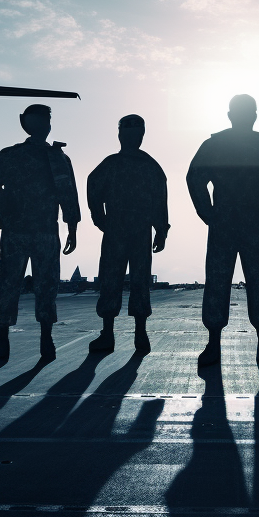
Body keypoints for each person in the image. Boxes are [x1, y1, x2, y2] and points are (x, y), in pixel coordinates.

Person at [187, 94, 259, 367]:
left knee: (232, 281)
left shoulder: (217, 145)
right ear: (253, 116)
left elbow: (194, 178)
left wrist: (208, 212)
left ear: (230, 115)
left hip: (230, 221)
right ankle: (241, 344)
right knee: (241, 281)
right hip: (246, 221)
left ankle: (229, 344)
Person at [0, 104, 80, 362]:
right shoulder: (21, 155)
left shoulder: (53, 157)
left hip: (35, 231)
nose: (46, 126)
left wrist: (3, 217)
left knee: (20, 285)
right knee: (31, 286)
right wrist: (72, 225)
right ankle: (34, 338)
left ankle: (13, 339)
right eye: (44, 121)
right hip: (32, 231)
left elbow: (68, 193)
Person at [86, 114, 169, 355]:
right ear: (122, 135)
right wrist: (160, 229)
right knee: (119, 281)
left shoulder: (136, 165)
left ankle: (127, 333)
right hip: (123, 232)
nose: (132, 138)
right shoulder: (136, 165)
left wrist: (161, 228)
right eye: (129, 134)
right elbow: (94, 188)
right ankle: (124, 334)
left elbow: (159, 201)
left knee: (131, 282)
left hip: (127, 232)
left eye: (135, 134)